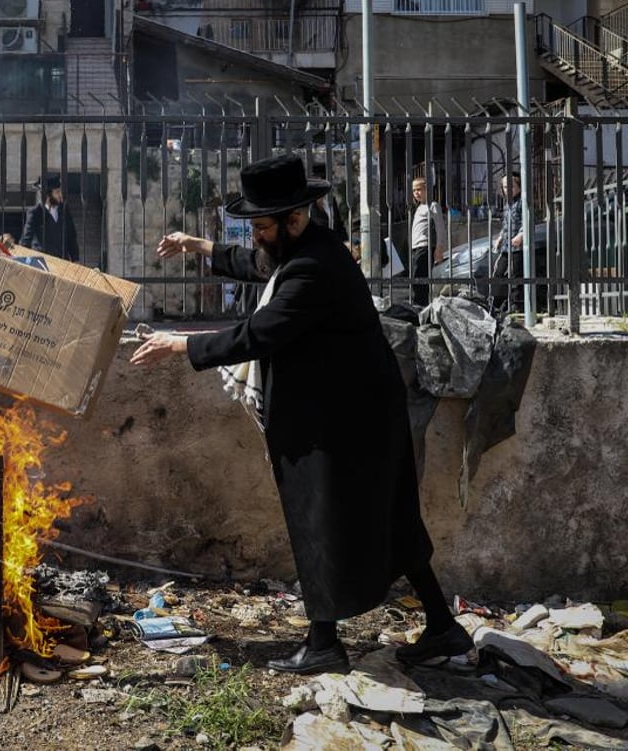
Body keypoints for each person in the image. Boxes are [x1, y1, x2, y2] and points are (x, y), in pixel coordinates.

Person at [130, 155, 473, 674]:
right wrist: (196, 245)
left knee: (321, 522)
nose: (258, 237)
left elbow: (260, 332)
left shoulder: (314, 267)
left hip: (341, 421)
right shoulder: (308, 246)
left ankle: (325, 645)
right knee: (391, 524)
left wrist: (178, 343)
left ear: (294, 218)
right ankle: (443, 628)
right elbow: (257, 265)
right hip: (351, 411)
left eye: (263, 227)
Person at [20, 173, 80, 262]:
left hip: (63, 263)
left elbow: (71, 235)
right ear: (47, 196)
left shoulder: (64, 210)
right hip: (43, 263)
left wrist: (75, 259)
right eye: (57, 192)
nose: (60, 195)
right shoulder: (35, 212)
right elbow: (26, 240)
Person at [409, 177, 447, 306]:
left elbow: (440, 228)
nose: (416, 193)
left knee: (420, 278)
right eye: (414, 190)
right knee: (416, 278)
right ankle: (418, 305)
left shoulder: (433, 205)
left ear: (426, 190)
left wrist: (439, 248)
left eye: (419, 189)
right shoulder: (420, 207)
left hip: (425, 246)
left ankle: (420, 305)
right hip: (416, 247)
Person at [491, 172, 524, 314]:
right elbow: (506, 225)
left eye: (511, 186)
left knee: (517, 275)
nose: (507, 189)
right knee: (499, 273)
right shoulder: (507, 204)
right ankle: (496, 303)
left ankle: (517, 304)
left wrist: (521, 235)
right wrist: (500, 237)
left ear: (519, 186)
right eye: (504, 187)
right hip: (506, 246)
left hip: (519, 246)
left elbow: (528, 221)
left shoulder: (523, 201)